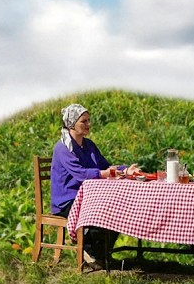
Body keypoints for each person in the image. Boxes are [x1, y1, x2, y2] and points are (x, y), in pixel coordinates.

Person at [50, 104, 139, 262]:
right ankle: (90, 250)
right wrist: (103, 174)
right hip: (68, 200)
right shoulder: (62, 148)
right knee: (101, 212)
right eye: (84, 121)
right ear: (71, 123)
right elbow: (80, 174)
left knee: (118, 209)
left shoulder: (89, 145)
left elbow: (105, 166)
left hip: (89, 197)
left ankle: (101, 254)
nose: (88, 125)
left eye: (89, 121)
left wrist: (125, 171)